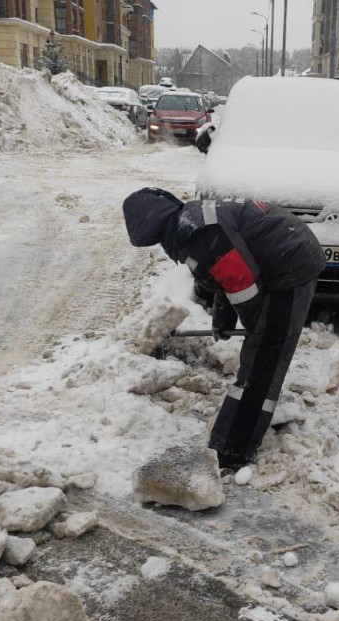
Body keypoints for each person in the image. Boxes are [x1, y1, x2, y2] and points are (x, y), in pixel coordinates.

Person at [122, 188, 326, 471]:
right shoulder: (192, 222)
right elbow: (226, 275)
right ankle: (236, 436)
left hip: (289, 262)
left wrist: (259, 331)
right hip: (284, 253)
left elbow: (242, 285)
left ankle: (232, 449)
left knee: (264, 363)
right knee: (262, 353)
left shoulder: (198, 234)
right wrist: (223, 321)